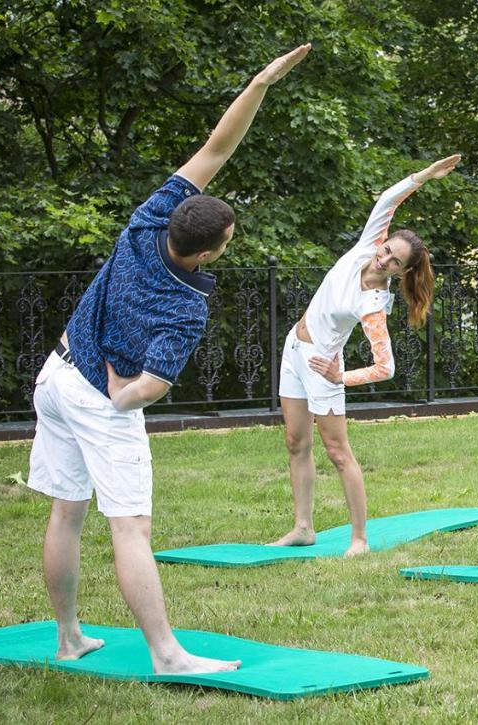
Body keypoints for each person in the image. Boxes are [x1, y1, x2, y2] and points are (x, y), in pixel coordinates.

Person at [27, 44, 311, 672]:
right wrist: (122, 397)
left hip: (56, 373)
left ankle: (69, 636)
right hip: (101, 396)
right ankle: (166, 654)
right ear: (206, 252)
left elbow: (215, 148)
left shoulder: (150, 217)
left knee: (67, 514)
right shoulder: (185, 306)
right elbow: (149, 387)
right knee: (130, 530)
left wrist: (260, 80)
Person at [268, 154, 461, 553]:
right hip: (293, 349)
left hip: (322, 367)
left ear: (401, 272)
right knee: (294, 441)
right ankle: (303, 527)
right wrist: (424, 176)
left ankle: (359, 538)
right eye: (388, 249)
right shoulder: (365, 248)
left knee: (338, 452)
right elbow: (388, 201)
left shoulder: (374, 302)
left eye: (395, 261)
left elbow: (385, 367)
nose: (385, 258)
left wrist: (342, 377)